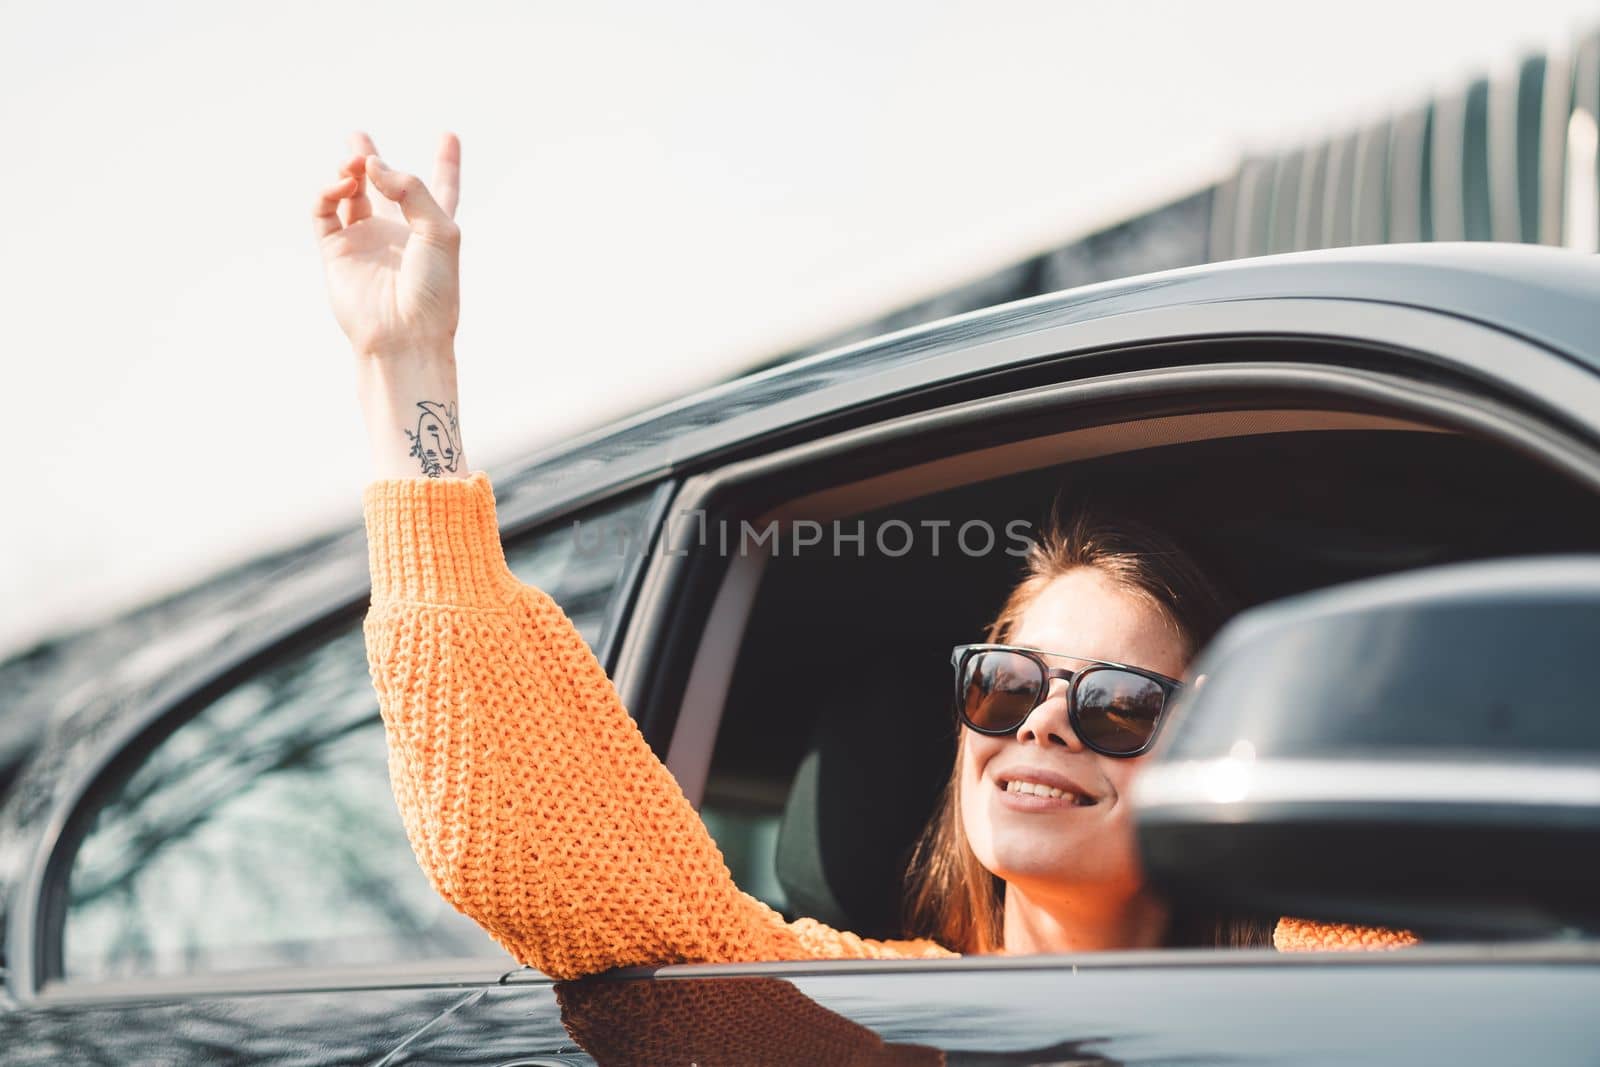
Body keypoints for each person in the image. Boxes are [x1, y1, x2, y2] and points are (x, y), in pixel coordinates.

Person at [313, 132, 1416, 981]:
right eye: (1005, 682)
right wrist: (410, 365)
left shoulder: (1305, 992)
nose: (1039, 722)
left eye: (1118, 702)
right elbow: (538, 856)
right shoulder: (868, 1017)